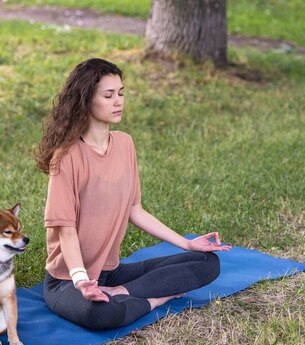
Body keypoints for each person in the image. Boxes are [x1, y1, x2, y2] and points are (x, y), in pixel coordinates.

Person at [35, 58, 230, 330]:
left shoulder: (125, 144)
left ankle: (123, 294)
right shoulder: (66, 157)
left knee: (208, 262)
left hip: (111, 273)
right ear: (86, 100)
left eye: (121, 93)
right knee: (99, 315)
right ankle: (155, 300)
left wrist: (187, 244)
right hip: (67, 280)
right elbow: (65, 231)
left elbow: (134, 210)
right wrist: (81, 280)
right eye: (108, 95)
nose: (119, 101)